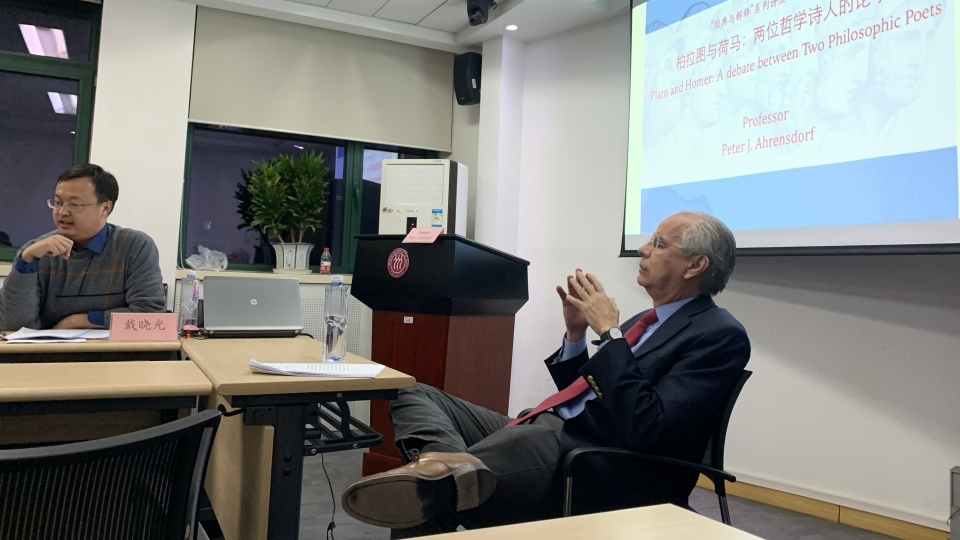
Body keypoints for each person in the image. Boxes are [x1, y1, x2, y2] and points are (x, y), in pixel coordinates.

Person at [342, 211, 751, 535]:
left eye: (659, 243)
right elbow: (585, 391)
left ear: (696, 264)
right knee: (413, 391)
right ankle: (444, 465)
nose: (643, 249)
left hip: (598, 464)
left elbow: (647, 427)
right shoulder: (646, 319)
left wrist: (610, 335)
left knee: (427, 498)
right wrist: (575, 335)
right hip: (548, 431)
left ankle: (445, 477)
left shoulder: (719, 335)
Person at [0, 164, 165, 330]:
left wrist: (77, 321)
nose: (62, 212)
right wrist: (27, 261)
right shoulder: (37, 252)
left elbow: (149, 318)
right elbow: (12, 326)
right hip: (52, 354)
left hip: (114, 354)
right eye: (58, 203)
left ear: (105, 208)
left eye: (74, 204)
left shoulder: (135, 247)